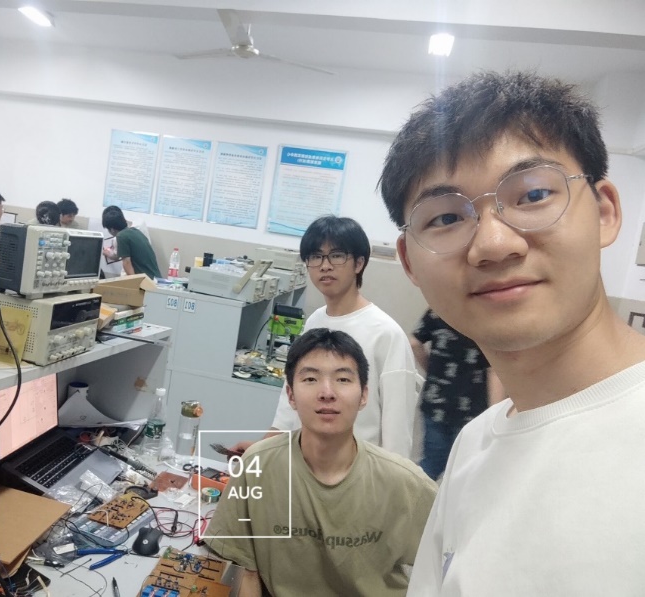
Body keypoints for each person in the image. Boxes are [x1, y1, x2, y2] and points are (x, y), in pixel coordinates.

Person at [379, 70, 645, 595]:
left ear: (605, 213)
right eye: (445, 218)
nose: (494, 244)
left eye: (533, 194)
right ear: (409, 262)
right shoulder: (474, 444)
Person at [206, 328, 437, 597]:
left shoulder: (404, 483)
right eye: (311, 378)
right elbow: (246, 571)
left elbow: (446, 566)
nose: (327, 392)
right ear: (291, 395)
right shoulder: (256, 467)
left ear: (363, 395)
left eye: (342, 379)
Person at [232, 215, 419, 458]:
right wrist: (260, 451)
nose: (325, 266)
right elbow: (289, 409)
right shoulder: (314, 322)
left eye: (337, 256)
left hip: (358, 471)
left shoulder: (386, 334)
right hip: (306, 466)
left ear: (359, 263)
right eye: (316, 256)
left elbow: (397, 436)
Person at [409, 308, 504, 480]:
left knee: (431, 463)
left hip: (436, 402)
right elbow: (494, 370)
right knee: (467, 467)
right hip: (471, 410)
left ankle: (414, 494)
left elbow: (414, 342)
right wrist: (494, 414)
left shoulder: (440, 309)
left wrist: (430, 369)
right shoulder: (486, 318)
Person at [101, 205, 161, 279]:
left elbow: (127, 263)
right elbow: (121, 255)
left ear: (112, 229)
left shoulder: (121, 236)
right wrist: (109, 254)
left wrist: (133, 283)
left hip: (147, 281)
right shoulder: (135, 231)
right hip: (155, 279)